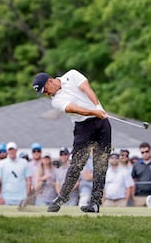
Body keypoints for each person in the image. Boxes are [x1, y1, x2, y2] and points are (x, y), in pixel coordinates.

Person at [33, 70, 110, 213]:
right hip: (83, 127)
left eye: (45, 90)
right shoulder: (56, 101)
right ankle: (61, 198)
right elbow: (77, 109)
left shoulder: (72, 75)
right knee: (76, 165)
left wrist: (98, 107)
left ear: (50, 81)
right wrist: (94, 112)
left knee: (100, 164)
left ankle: (95, 203)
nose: (46, 94)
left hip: (102, 124)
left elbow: (87, 88)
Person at [132, 142, 151, 207]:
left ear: (150, 151)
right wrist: (133, 195)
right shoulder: (136, 164)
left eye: (146, 151)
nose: (145, 154)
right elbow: (133, 179)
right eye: (142, 152)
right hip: (139, 196)